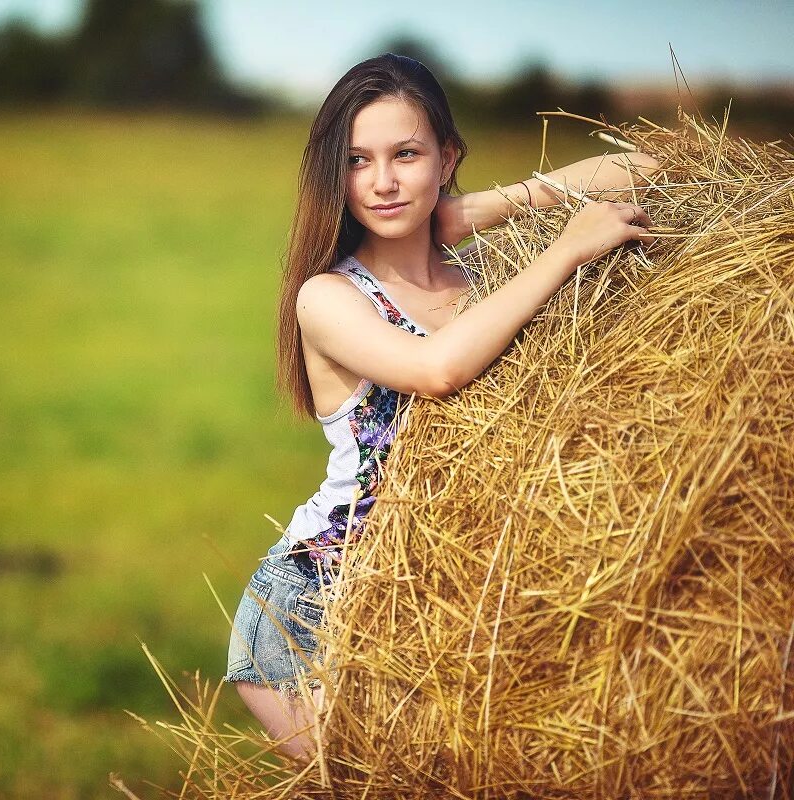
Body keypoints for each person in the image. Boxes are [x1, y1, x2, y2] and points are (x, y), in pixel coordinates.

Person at [223, 54, 659, 758]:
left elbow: (654, 166)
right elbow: (438, 368)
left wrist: (491, 205)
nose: (383, 182)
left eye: (407, 154)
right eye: (358, 161)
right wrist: (565, 252)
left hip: (446, 601)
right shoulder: (329, 298)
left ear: (447, 156)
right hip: (318, 609)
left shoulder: (484, 278)